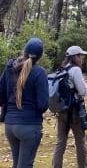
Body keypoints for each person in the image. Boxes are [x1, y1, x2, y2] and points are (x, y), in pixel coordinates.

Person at [0, 37, 49, 168]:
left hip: (10, 125)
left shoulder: (10, 69)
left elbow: (1, 97)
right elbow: (43, 104)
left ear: (24, 51)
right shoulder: (40, 73)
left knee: (16, 164)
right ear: (40, 56)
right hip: (29, 126)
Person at [52, 46, 87, 168]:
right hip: (74, 111)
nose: (82, 58)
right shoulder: (75, 70)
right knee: (80, 141)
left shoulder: (62, 68)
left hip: (62, 110)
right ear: (75, 57)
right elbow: (83, 91)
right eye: (80, 56)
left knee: (60, 142)